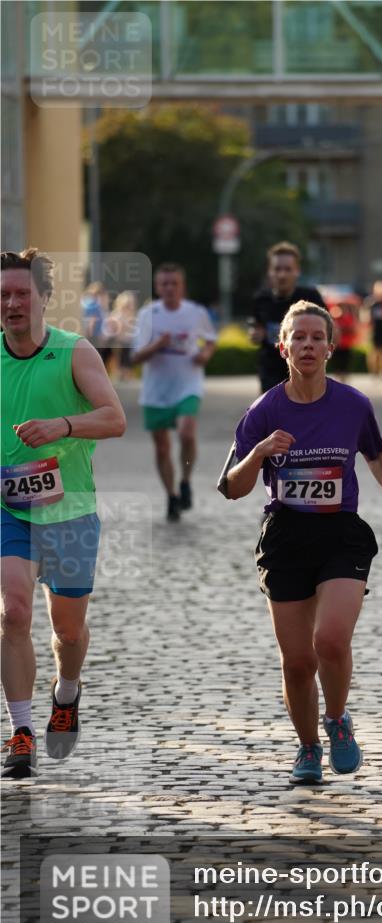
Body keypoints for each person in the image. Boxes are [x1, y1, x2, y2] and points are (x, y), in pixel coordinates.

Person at [220, 300, 382, 785]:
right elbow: (231, 487)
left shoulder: (353, 404)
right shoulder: (264, 410)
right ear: (283, 348)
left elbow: (376, 453)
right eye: (298, 337)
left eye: (316, 337)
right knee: (298, 661)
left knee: (330, 639)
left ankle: (337, 720)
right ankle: (308, 748)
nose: (307, 345)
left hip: (340, 533)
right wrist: (259, 452)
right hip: (285, 536)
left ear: (330, 347)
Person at [1, 248, 126, 780]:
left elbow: (114, 419)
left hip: (69, 509)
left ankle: (67, 692)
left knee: (68, 632)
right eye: (3, 295)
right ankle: (21, 732)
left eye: (22, 294)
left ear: (45, 299)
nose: (12, 304)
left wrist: (62, 426)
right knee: (14, 612)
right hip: (10, 509)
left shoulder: (75, 352)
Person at [132, 263, 217, 522]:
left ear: (182, 286)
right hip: (156, 392)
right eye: (164, 284)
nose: (169, 288)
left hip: (188, 385)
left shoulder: (195, 312)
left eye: (174, 283)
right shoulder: (148, 315)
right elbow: (135, 357)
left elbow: (210, 340)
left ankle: (186, 480)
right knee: (162, 448)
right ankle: (171, 496)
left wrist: (205, 354)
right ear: (157, 287)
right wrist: (157, 345)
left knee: (186, 433)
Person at [250, 242, 326, 394]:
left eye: (287, 269)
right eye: (277, 269)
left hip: (304, 371)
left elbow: (330, 331)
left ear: (297, 271)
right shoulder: (261, 299)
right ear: (269, 271)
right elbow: (254, 328)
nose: (282, 275)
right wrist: (255, 335)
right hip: (270, 373)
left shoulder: (311, 297)